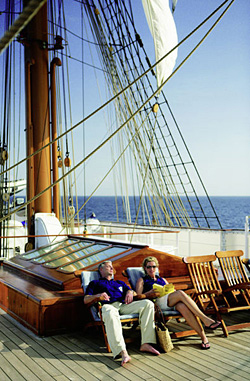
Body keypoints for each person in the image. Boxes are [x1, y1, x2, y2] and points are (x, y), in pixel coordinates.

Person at [136, 256, 222, 350]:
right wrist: (149, 293)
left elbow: (172, 290)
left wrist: (172, 291)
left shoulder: (162, 279)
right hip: (157, 303)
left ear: (156, 267)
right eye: (148, 267)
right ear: (145, 268)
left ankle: (204, 338)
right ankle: (205, 319)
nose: (151, 269)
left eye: (153, 266)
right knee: (180, 293)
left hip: (169, 301)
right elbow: (139, 297)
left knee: (183, 306)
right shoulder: (142, 280)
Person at [84, 260, 160, 366]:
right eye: (108, 266)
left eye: (112, 266)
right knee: (110, 312)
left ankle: (146, 343)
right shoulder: (95, 283)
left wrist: (129, 292)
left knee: (148, 304)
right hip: (108, 306)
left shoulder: (119, 282)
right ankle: (122, 351)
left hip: (123, 305)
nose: (111, 268)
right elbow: (86, 299)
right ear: (101, 270)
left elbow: (133, 292)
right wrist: (97, 296)